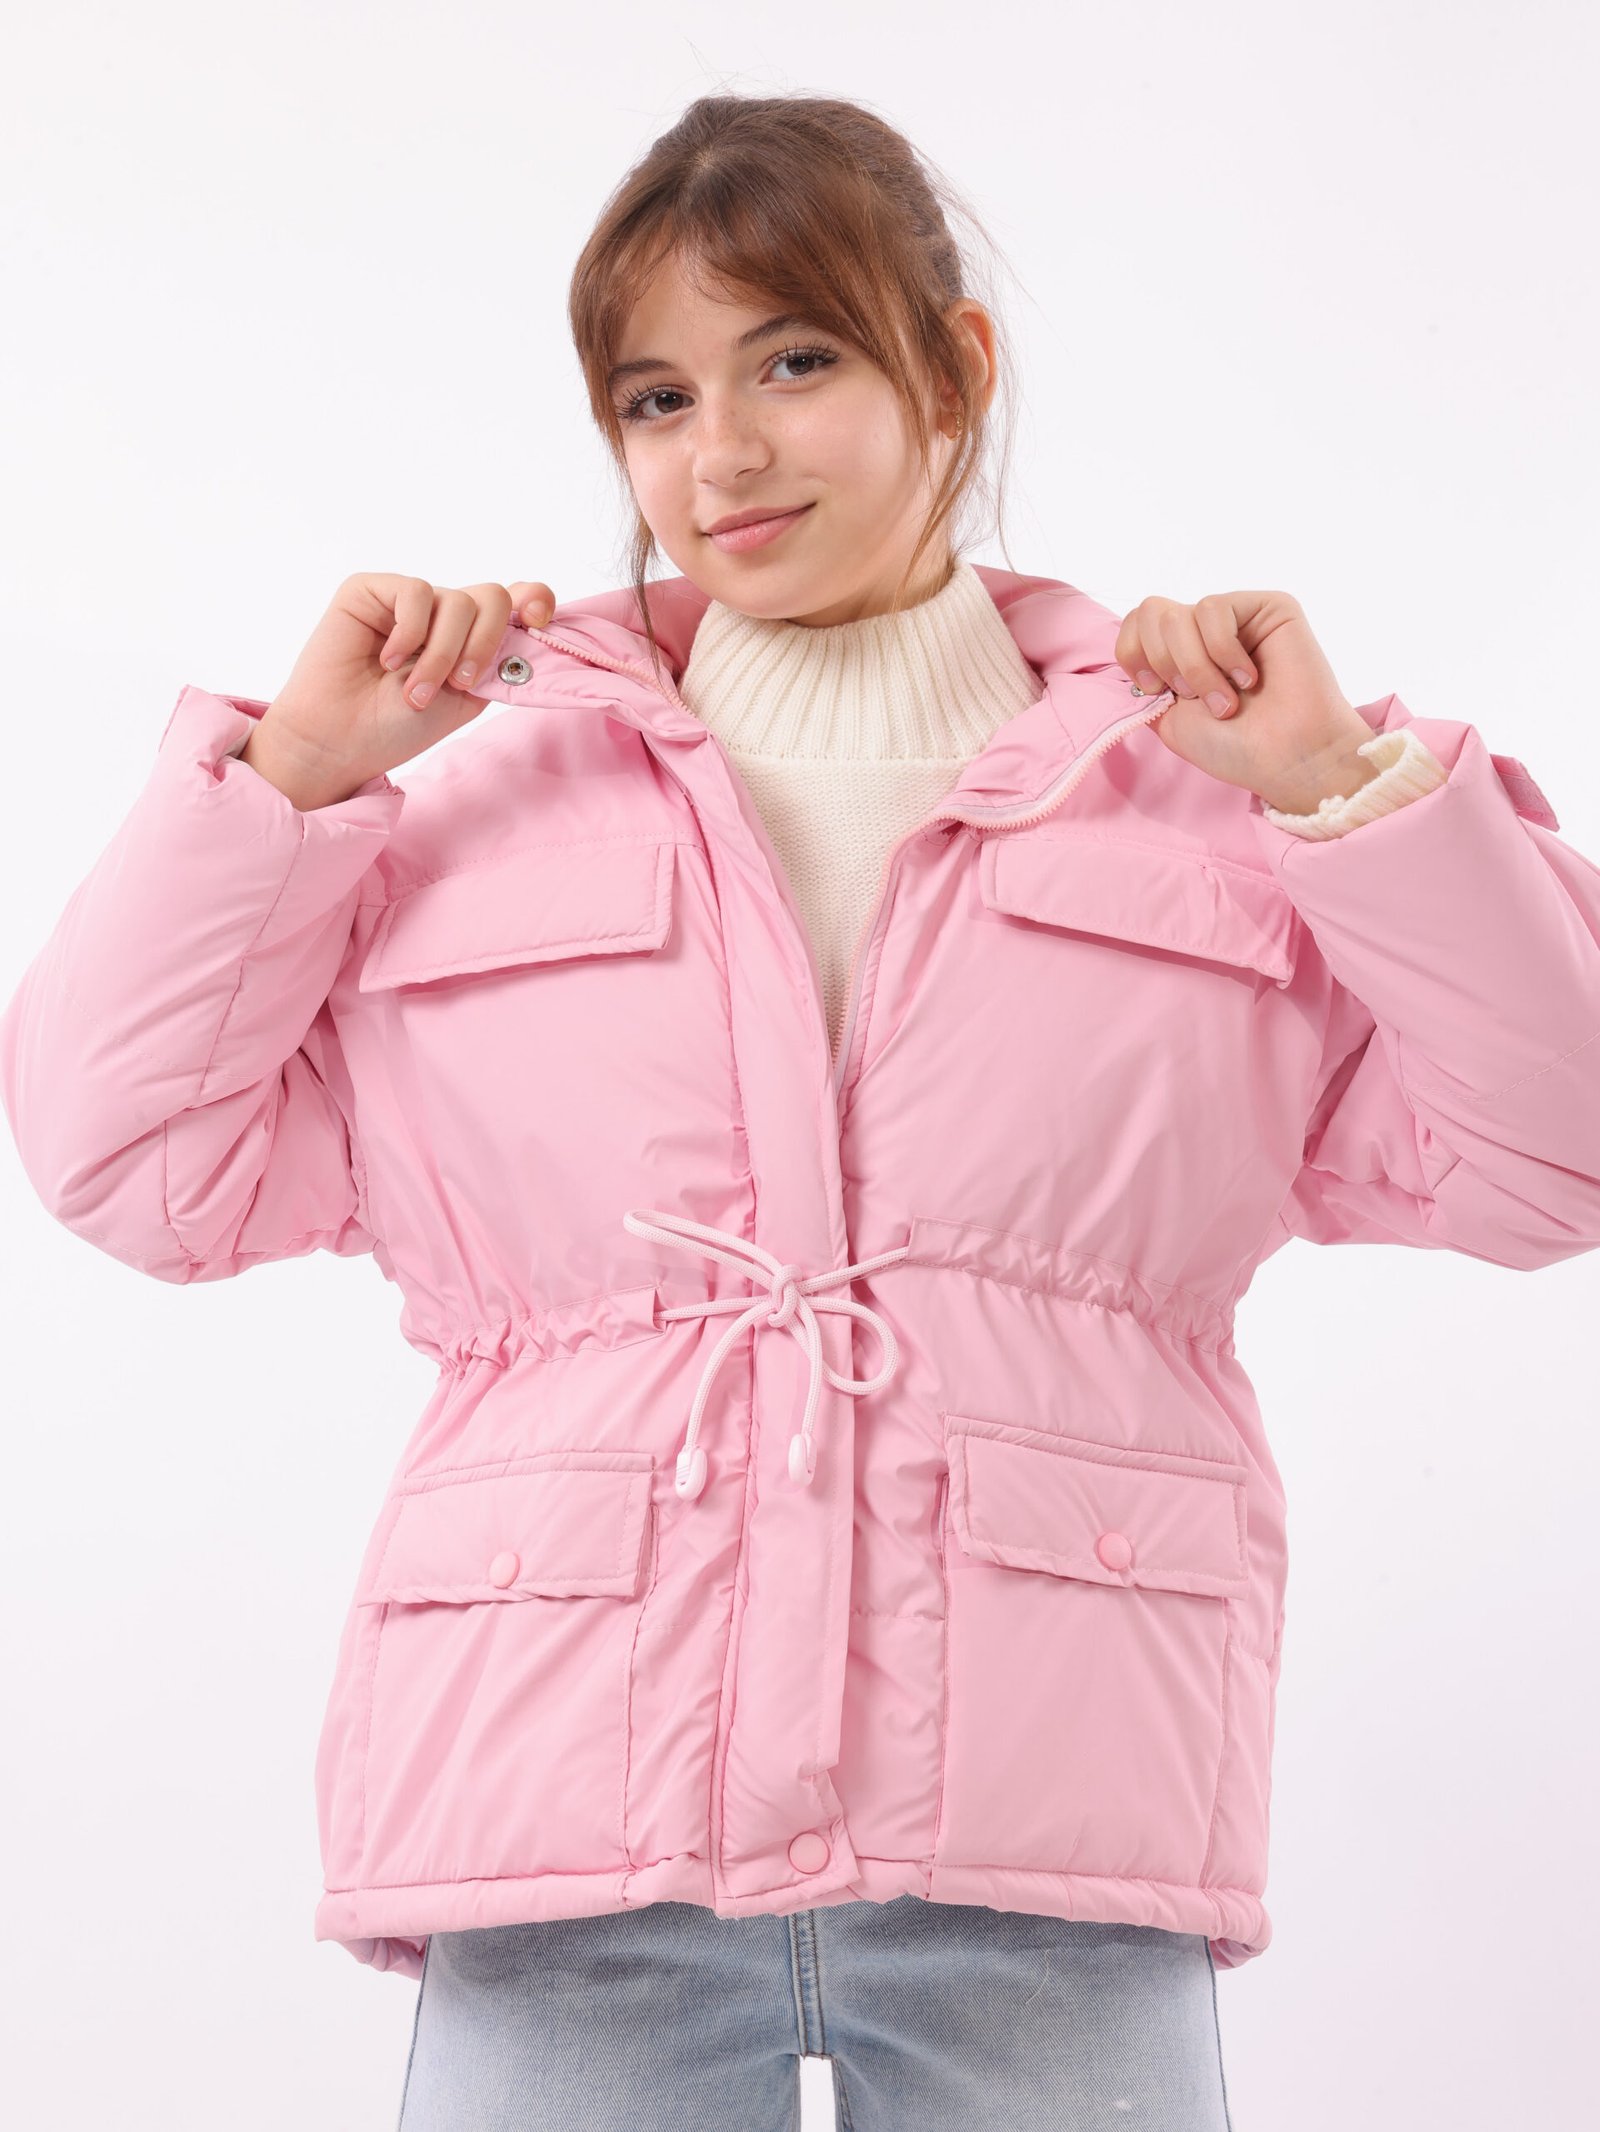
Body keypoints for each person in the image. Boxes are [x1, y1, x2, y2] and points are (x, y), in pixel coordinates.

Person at [4, 90, 1599, 2132]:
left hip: (1048, 1831)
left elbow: (1556, 1152)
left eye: (794, 361)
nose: (724, 454)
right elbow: (129, 1161)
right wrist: (295, 783)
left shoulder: (1202, 791)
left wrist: (1337, 794)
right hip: (566, 1822)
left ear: (953, 370)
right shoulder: (472, 800)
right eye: (656, 399)